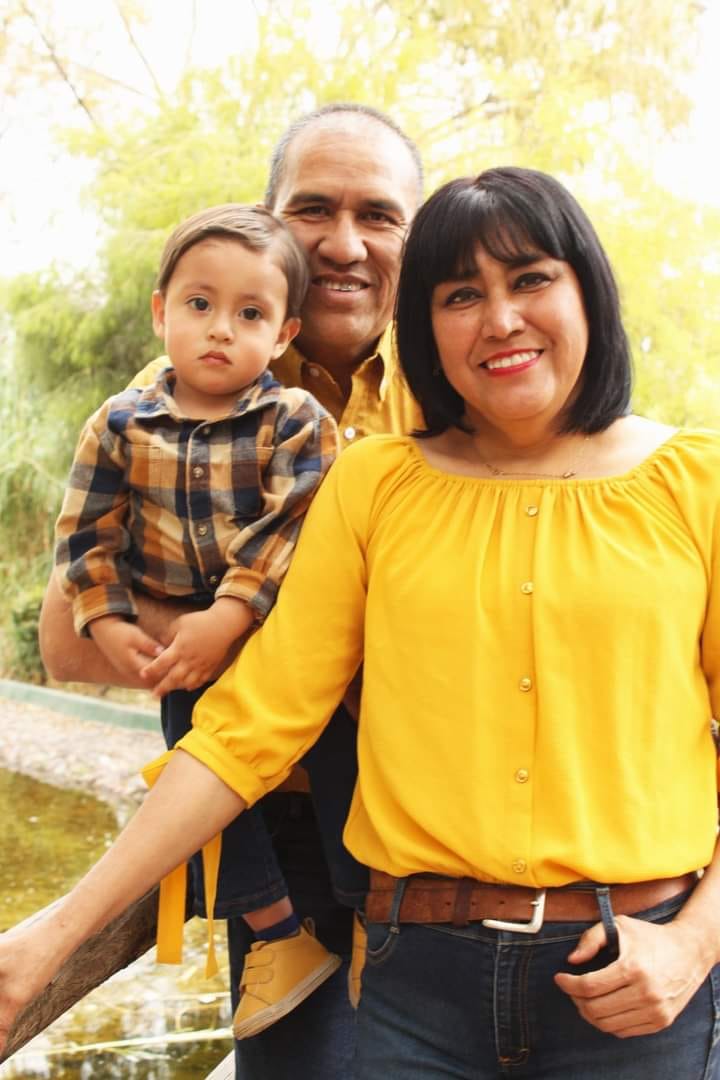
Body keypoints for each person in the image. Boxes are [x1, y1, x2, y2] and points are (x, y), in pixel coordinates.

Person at [6, 164, 720, 1079]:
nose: (500, 319)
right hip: (413, 998)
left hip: (637, 994)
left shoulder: (692, 483)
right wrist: (56, 934)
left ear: (588, 286)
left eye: (531, 279)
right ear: (421, 325)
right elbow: (247, 730)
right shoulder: (375, 482)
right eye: (462, 295)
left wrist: (696, 943)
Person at [37, 103, 424, 1077]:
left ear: (416, 241)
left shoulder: (459, 379)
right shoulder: (176, 386)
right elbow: (72, 642)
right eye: (313, 210)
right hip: (267, 815)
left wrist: (259, 635)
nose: (344, 243)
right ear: (266, 220)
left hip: (433, 817)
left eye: (379, 215)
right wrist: (312, 644)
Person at [53, 201, 344, 1039]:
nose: (221, 330)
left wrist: (231, 612)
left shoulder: (293, 422)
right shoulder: (120, 422)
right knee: (196, 777)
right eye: (199, 305)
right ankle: (276, 934)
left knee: (329, 766)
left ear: (284, 334)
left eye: (249, 315)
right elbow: (85, 532)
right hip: (186, 649)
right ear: (161, 312)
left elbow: (295, 524)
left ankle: (360, 916)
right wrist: (107, 621)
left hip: (275, 643)